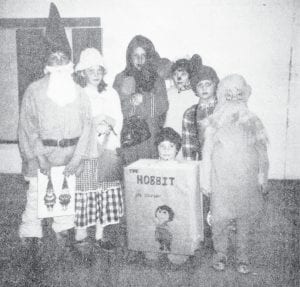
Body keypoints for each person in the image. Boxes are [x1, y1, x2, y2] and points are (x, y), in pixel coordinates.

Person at [18, 50, 91, 253]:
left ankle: (64, 230)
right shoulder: (34, 91)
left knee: (66, 194)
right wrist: (40, 156)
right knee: (36, 194)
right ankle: (31, 232)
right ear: (47, 67)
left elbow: (87, 128)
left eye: (63, 62)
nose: (59, 65)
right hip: (40, 154)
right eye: (54, 62)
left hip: (70, 155)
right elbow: (27, 125)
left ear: (70, 67)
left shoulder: (80, 93)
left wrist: (77, 159)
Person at [201, 74, 269, 274]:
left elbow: (262, 152)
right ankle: (220, 253)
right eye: (228, 94)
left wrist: (262, 176)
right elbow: (206, 153)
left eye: (238, 94)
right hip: (221, 180)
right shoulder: (213, 123)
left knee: (244, 220)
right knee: (220, 220)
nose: (233, 98)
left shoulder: (253, 121)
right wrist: (205, 180)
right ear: (222, 96)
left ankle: (243, 255)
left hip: (246, 181)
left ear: (244, 96)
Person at [74, 48, 124, 251]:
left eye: (99, 70)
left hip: (107, 147)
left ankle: (101, 234)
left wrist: (108, 125)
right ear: (82, 73)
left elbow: (118, 117)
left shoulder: (110, 92)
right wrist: (93, 124)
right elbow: (76, 121)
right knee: (86, 190)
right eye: (90, 70)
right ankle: (81, 233)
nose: (95, 74)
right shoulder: (78, 93)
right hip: (87, 148)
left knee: (104, 191)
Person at [113, 35, 169, 165]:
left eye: (143, 55)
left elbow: (163, 104)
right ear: (129, 57)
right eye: (135, 55)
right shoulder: (120, 78)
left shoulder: (157, 79)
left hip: (151, 135)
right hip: (128, 137)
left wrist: (144, 99)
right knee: (130, 175)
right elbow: (115, 106)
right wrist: (130, 102)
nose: (140, 59)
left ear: (149, 57)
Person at [182, 61, 219, 161]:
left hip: (225, 165)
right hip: (203, 165)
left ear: (215, 86)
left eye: (208, 84)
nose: (204, 88)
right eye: (200, 85)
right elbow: (188, 150)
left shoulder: (224, 109)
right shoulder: (190, 114)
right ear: (195, 89)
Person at [164, 56, 200, 138]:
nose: (178, 78)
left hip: (187, 137)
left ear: (190, 75)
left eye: (183, 74)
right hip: (170, 137)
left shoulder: (195, 95)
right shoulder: (168, 92)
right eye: (175, 74)